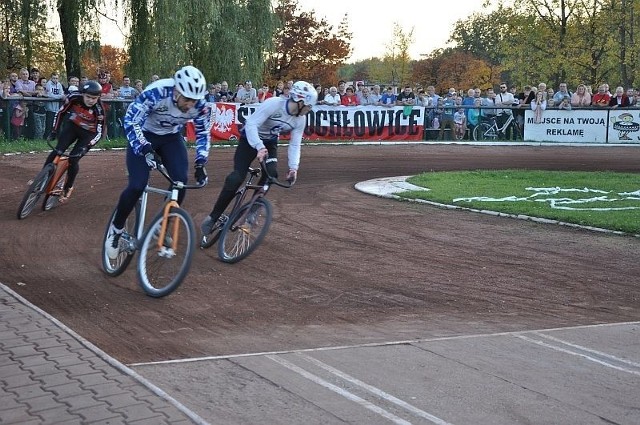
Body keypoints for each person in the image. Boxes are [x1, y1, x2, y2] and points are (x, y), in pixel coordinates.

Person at [105, 65, 212, 259]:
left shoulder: (200, 106)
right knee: (137, 185)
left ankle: (160, 226)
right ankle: (116, 230)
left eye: (194, 100)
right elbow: (131, 121)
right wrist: (145, 148)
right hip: (143, 134)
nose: (190, 105)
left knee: (180, 182)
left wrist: (200, 162)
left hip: (171, 138)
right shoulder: (157, 92)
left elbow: (203, 133)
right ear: (177, 91)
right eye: (187, 99)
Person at [201, 81, 317, 236]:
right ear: (301, 102)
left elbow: (295, 145)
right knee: (236, 178)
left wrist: (293, 168)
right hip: (250, 140)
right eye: (309, 106)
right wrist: (258, 146)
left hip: (269, 143)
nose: (309, 110)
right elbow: (251, 125)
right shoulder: (274, 104)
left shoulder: (300, 120)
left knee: (271, 174)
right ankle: (213, 217)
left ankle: (252, 211)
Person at [43, 81, 106, 201]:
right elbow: (61, 113)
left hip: (88, 134)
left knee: (73, 159)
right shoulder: (73, 97)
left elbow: (99, 132)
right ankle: (43, 178)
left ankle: (68, 186)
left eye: (94, 98)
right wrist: (54, 131)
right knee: (57, 150)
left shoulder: (99, 109)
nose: (91, 100)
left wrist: (87, 146)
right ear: (82, 94)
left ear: (98, 98)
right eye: (88, 97)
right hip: (73, 127)